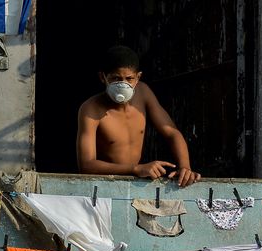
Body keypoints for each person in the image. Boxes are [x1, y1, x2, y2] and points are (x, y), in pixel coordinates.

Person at [76, 46, 201, 187]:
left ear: (138, 77)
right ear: (102, 77)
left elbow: (172, 132)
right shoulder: (90, 108)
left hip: (138, 183)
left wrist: (185, 167)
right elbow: (86, 165)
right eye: (115, 79)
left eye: (129, 78)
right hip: (105, 184)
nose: (123, 84)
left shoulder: (143, 93)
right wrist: (136, 169)